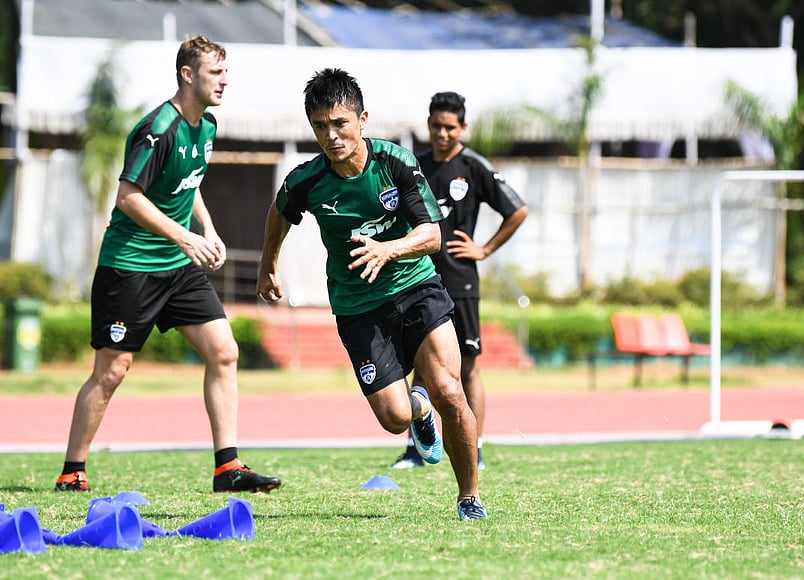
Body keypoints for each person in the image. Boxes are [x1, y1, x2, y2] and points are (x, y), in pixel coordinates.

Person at [256, 68, 487, 520]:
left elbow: (431, 235)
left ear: (362, 119)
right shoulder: (307, 180)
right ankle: (417, 411)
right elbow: (279, 213)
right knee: (394, 418)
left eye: (340, 123)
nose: (331, 135)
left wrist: (388, 249)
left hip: (416, 287)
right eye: (320, 126)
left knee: (448, 389)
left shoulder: (394, 163)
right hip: (358, 307)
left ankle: (469, 498)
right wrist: (268, 265)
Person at [55, 35, 281, 494]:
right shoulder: (159, 127)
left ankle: (227, 468)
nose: (224, 80)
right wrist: (184, 236)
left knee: (224, 351)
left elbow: (188, 183)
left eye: (226, 71)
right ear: (187, 74)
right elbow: (128, 196)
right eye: (215, 72)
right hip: (130, 265)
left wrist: (208, 229)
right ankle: (72, 471)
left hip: (178, 267)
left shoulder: (207, 126)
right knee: (112, 370)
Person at [391, 92, 528, 471]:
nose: (442, 133)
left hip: (461, 282)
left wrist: (484, 249)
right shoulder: (413, 165)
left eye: (450, 127)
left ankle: (475, 449)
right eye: (436, 126)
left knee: (467, 369)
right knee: (421, 365)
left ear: (462, 128)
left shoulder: (474, 166)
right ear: (428, 125)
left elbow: (518, 211)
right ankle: (415, 451)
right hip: (418, 280)